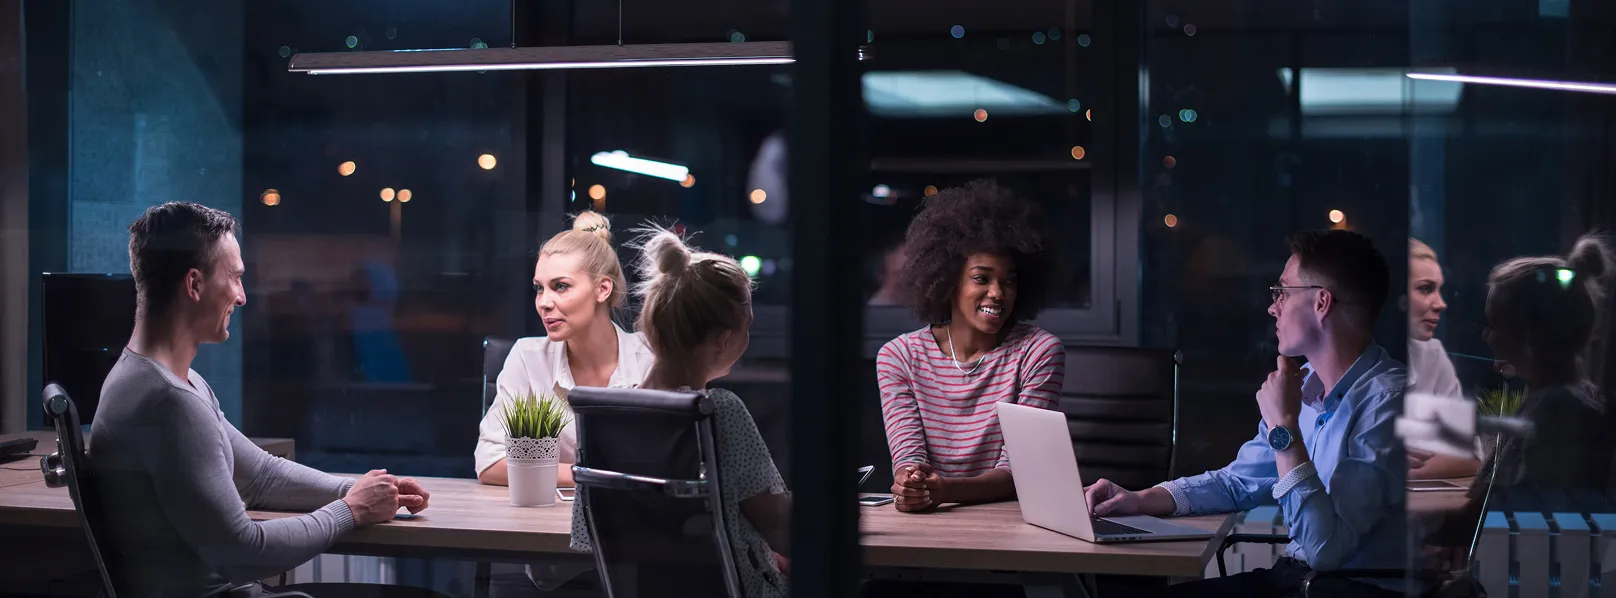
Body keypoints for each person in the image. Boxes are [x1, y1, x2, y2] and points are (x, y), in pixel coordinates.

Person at [91, 202, 433, 597]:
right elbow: (243, 551)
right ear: (194, 285)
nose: (242, 297)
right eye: (235, 278)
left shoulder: (164, 380)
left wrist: (363, 490)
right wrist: (351, 511)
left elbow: (261, 476)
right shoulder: (166, 402)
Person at [1085, 230, 1407, 598]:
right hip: (1295, 580)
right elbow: (1235, 482)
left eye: (1283, 292)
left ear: (1321, 303)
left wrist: (1284, 429)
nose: (1273, 306)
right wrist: (1140, 499)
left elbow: (1324, 550)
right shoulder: (1303, 388)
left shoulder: (1388, 403)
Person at [570, 226, 791, 597]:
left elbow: (585, 535)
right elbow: (786, 530)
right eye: (746, 328)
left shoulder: (606, 410)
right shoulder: (716, 411)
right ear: (723, 339)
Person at [876, 180, 1066, 512]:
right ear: (948, 280)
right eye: (982, 278)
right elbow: (908, 456)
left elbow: (1018, 470)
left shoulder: (1037, 351)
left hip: (1012, 523)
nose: (998, 293)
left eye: (1009, 281)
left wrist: (945, 491)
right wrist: (911, 483)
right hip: (933, 522)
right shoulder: (899, 357)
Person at [475, 211, 655, 487]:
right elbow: (490, 462)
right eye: (539, 288)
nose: (544, 302)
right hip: (544, 521)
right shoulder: (529, 358)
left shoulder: (651, 359)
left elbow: (670, 466)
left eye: (561, 287)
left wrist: (541, 470)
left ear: (603, 289)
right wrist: (592, 474)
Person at [1469, 235, 1615, 512]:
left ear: (1532, 338)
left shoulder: (1556, 410)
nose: (1487, 337)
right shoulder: (1556, 397)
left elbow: (1520, 512)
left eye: (1494, 324)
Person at [1405, 238, 1481, 480]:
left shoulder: (1432, 354)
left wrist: (1393, 472)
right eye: (1426, 289)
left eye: (1439, 290)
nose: (1441, 304)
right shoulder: (1336, 359)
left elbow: (1470, 457)